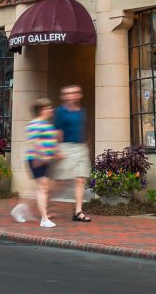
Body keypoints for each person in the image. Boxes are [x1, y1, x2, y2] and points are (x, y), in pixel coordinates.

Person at [10, 98, 59, 228]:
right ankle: (44, 219)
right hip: (37, 159)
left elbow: (51, 143)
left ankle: (19, 209)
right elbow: (35, 141)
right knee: (42, 188)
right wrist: (43, 155)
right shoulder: (34, 124)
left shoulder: (48, 125)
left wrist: (55, 153)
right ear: (42, 110)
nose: (51, 110)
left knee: (39, 188)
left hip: (45, 160)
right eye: (48, 108)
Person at [53, 85, 92, 222]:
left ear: (79, 95)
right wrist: (57, 149)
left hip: (81, 148)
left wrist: (88, 142)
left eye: (75, 93)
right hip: (66, 147)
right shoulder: (60, 112)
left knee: (80, 180)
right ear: (64, 97)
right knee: (59, 181)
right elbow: (58, 131)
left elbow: (84, 128)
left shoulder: (82, 111)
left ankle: (78, 211)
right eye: (69, 93)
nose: (72, 95)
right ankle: (47, 205)